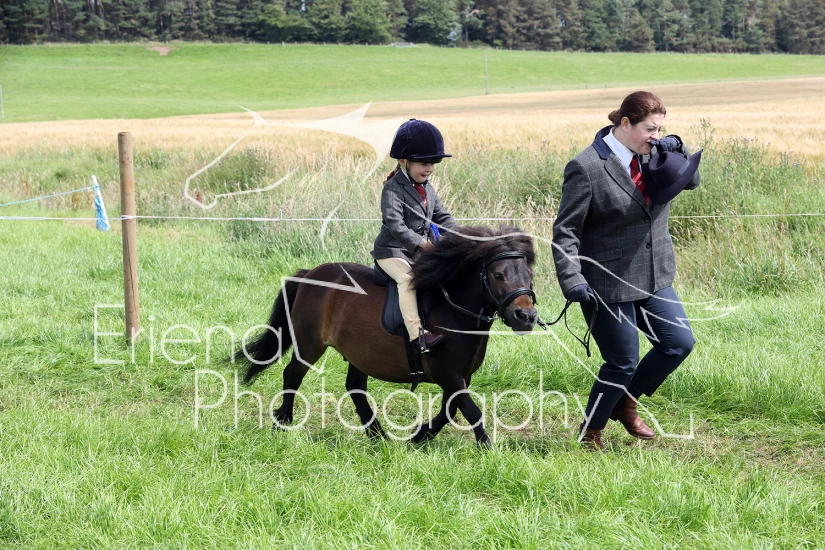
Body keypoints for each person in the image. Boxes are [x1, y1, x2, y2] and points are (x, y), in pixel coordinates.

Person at [551, 91, 701, 451]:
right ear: (624, 123)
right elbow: (565, 231)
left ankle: (625, 402)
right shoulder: (587, 167)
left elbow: (692, 181)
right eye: (650, 129)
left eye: (660, 128)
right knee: (622, 362)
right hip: (607, 283)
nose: (656, 135)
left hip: (654, 275)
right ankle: (591, 431)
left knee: (679, 343)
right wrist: (572, 278)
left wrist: (676, 149)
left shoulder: (653, 154)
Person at [372, 119, 458, 351]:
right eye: (423, 164)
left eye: (433, 164)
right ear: (404, 162)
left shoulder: (427, 187)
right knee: (408, 280)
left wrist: (462, 236)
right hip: (391, 252)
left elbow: (441, 216)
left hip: (417, 253)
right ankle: (417, 335)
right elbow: (395, 224)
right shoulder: (392, 188)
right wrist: (422, 244)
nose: (429, 169)